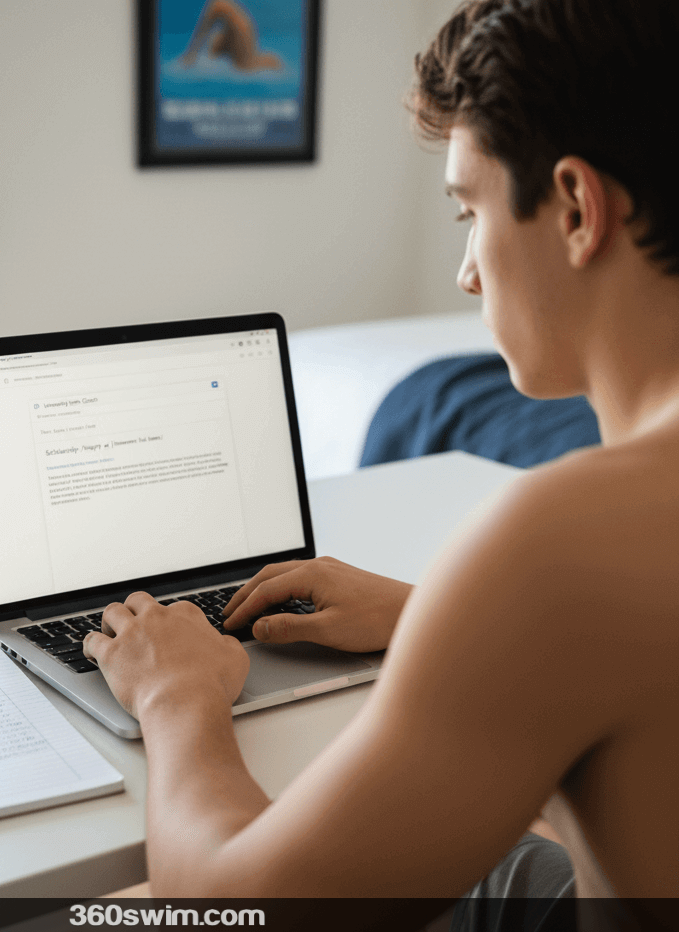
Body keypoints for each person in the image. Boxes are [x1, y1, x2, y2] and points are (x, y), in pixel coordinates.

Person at [84, 0, 678, 925]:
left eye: (468, 209)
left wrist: (174, 695)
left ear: (574, 207)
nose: (467, 273)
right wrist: (428, 614)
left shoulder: (568, 537)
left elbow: (233, 907)